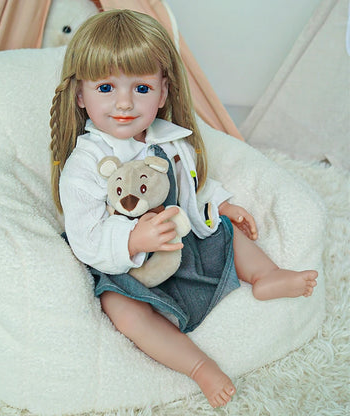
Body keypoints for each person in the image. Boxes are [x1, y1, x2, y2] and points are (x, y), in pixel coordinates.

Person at [49, 9, 318, 408]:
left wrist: (222, 204)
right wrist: (133, 238)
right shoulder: (85, 166)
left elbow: (193, 185)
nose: (124, 103)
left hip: (179, 246)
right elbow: (87, 238)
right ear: (80, 95)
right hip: (127, 267)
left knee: (225, 234)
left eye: (141, 88)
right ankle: (197, 367)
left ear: (163, 91)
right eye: (106, 88)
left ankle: (268, 276)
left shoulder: (171, 140)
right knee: (121, 311)